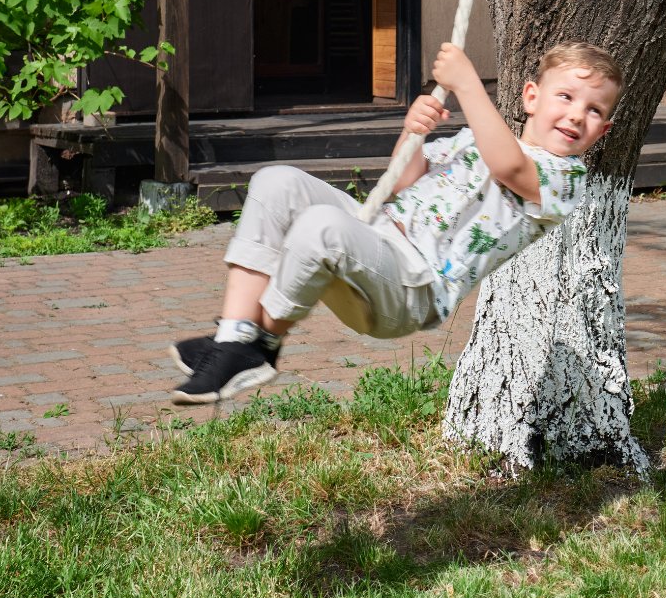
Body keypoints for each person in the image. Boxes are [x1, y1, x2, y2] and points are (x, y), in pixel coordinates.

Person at [168, 40, 622, 404]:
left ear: (602, 130)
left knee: (321, 225)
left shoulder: (565, 179)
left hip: (410, 288)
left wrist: (467, 84)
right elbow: (406, 182)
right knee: (277, 182)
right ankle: (234, 336)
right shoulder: (472, 139)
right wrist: (413, 131)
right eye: (566, 96)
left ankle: (261, 343)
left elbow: (509, 167)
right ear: (531, 97)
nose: (577, 114)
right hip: (376, 241)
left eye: (594, 110)